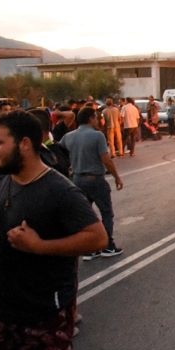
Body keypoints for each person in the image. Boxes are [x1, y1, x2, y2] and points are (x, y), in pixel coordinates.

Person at [0, 110, 107, 350]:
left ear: (24, 144)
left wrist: (39, 246)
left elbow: (98, 237)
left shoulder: (60, 190)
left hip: (44, 311)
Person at [61, 107, 125, 259]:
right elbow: (105, 159)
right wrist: (116, 176)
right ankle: (107, 246)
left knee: (85, 216)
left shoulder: (68, 136)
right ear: (90, 118)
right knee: (106, 212)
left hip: (77, 180)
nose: (97, 120)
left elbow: (60, 152)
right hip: (95, 179)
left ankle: (89, 249)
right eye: (96, 117)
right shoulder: (97, 136)